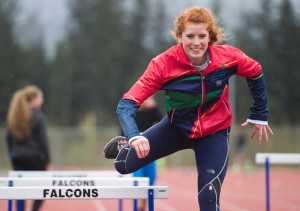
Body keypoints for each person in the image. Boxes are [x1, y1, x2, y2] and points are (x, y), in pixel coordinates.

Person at [104, 7, 273, 211]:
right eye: (190, 36)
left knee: (208, 198)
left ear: (210, 36)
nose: (196, 42)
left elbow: (255, 71)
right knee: (122, 166)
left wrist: (259, 113)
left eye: (202, 36)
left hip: (214, 132)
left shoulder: (228, 57)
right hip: (176, 128)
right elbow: (126, 104)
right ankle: (125, 146)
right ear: (179, 37)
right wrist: (133, 136)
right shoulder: (163, 64)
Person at [6, 85, 50, 211]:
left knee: (20, 191)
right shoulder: (37, 116)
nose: (42, 99)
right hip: (35, 159)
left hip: (17, 158)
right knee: (43, 188)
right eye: (40, 97)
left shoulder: (14, 115)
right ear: (34, 99)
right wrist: (47, 160)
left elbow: (8, 139)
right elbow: (43, 141)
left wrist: (12, 155)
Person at [131, 96, 162, 211]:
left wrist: (154, 107)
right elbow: (123, 130)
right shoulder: (132, 112)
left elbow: (164, 121)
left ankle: (143, 206)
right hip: (134, 153)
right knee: (138, 181)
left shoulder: (152, 112)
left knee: (150, 182)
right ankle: (137, 206)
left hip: (150, 153)